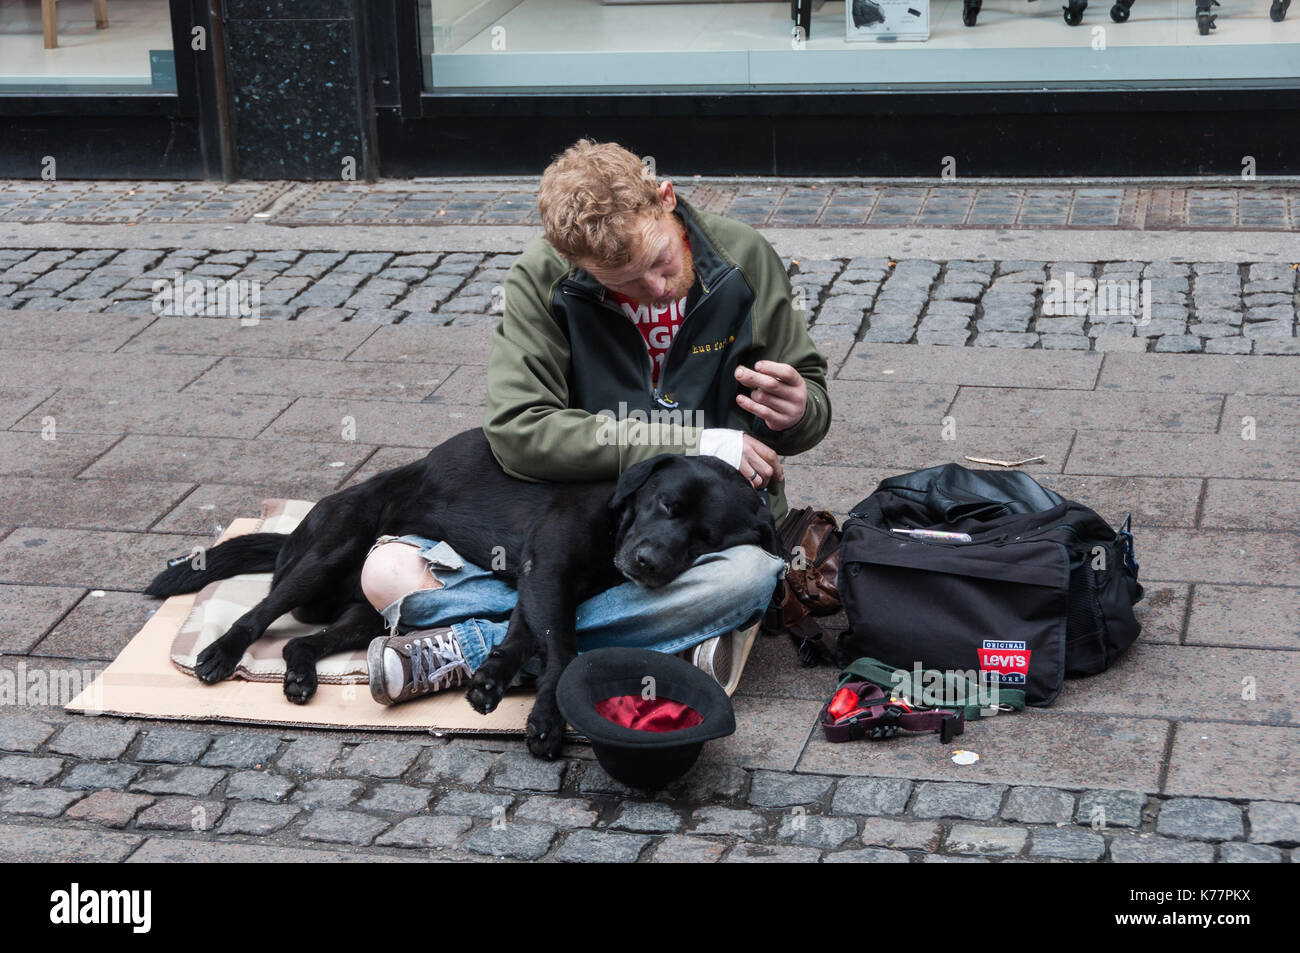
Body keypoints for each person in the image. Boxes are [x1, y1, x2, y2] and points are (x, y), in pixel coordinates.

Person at [363, 139, 831, 706]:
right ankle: (661, 642)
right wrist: (694, 440)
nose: (655, 289)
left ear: (666, 197)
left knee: (750, 577)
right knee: (385, 570)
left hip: (696, 538)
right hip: (587, 523)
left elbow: (808, 402)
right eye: (625, 284)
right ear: (574, 262)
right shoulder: (543, 279)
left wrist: (800, 409)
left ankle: (479, 646)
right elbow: (517, 430)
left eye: (660, 262)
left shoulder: (744, 255)